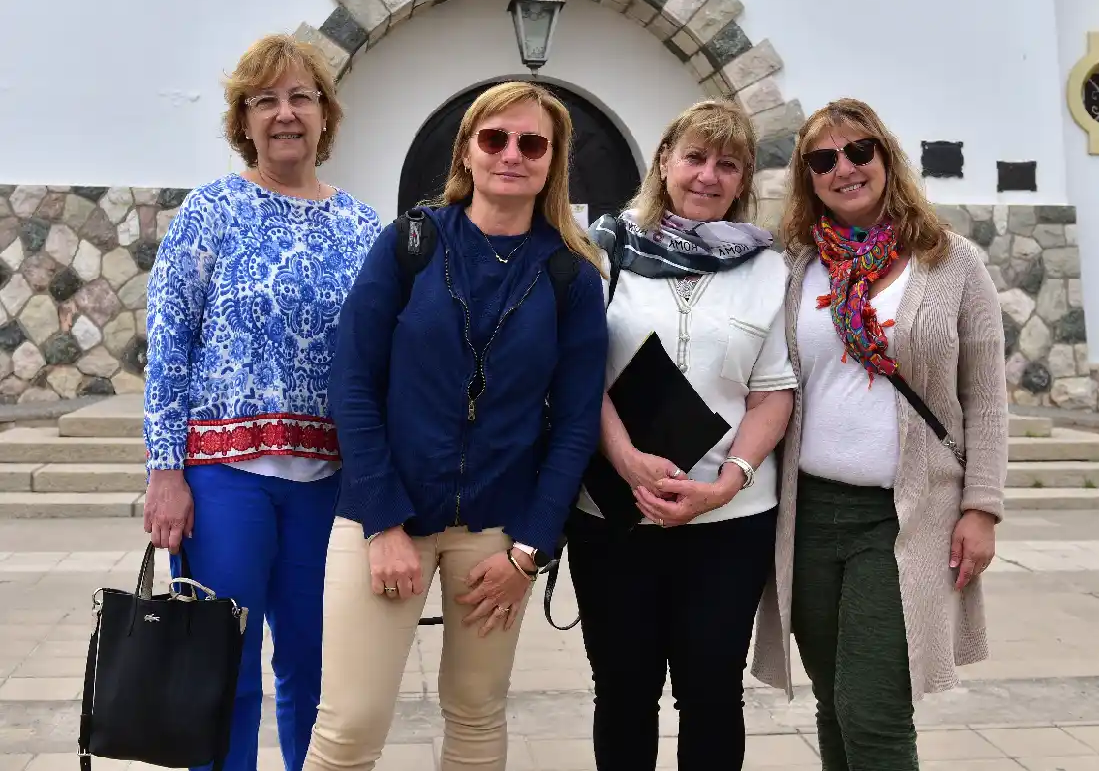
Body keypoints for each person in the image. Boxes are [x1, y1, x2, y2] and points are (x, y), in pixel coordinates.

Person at [303, 80, 608, 771]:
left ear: (551, 161)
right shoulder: (409, 243)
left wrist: (528, 552)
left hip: (497, 535)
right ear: (467, 150)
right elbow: (352, 384)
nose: (511, 155)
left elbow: (574, 425)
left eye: (532, 143)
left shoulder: (571, 275)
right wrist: (382, 523)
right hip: (385, 519)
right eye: (494, 138)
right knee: (349, 725)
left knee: (475, 715)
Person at [142, 34, 382, 771]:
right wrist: (165, 469)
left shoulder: (363, 227)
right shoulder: (210, 212)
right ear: (243, 120)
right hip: (224, 481)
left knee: (319, 673)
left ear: (325, 116)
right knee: (225, 670)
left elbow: (381, 358)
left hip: (330, 489)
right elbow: (168, 339)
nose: (285, 113)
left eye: (300, 97)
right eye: (265, 100)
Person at [750, 98, 1008, 770]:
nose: (845, 167)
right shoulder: (796, 268)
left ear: (886, 158)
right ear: (808, 178)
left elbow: (986, 399)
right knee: (835, 704)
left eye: (859, 150)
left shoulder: (952, 264)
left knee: (873, 708)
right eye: (823, 159)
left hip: (904, 516)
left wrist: (982, 508)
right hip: (807, 515)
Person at [568, 99, 796, 771]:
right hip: (614, 515)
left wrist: (730, 482)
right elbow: (579, 372)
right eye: (694, 157)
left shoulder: (768, 267)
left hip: (731, 524)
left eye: (727, 164)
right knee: (623, 691)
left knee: (713, 694)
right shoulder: (603, 252)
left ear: (743, 179)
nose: (708, 175)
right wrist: (625, 458)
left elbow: (773, 389)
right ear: (664, 163)